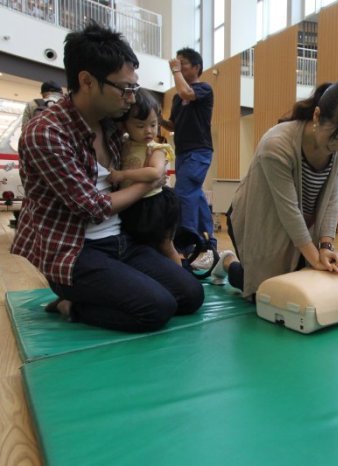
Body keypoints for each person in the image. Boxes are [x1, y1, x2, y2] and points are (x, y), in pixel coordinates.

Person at [10, 23, 203, 332]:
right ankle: (71, 304)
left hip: (121, 241)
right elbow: (92, 207)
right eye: (125, 88)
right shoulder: (47, 132)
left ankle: (110, 289)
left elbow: (150, 141)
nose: (131, 97)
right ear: (87, 81)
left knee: (191, 295)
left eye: (134, 88)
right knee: (156, 308)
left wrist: (156, 156)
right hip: (74, 252)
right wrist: (148, 182)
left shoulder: (114, 125)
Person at [212, 79, 338, 299]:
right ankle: (229, 262)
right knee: (267, 293)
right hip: (261, 220)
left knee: (306, 286)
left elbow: (333, 197)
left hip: (298, 224)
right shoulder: (276, 144)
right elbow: (287, 209)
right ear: (317, 116)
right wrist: (315, 258)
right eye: (336, 137)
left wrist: (326, 246)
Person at [109, 88, 181, 265]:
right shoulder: (124, 145)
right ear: (125, 125)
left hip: (154, 205)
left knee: (165, 245)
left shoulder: (156, 148)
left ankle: (180, 273)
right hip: (133, 204)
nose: (149, 131)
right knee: (142, 246)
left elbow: (155, 172)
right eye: (140, 126)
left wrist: (122, 174)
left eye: (153, 125)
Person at [160, 47, 216, 269]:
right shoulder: (175, 97)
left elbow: (187, 94)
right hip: (183, 152)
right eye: (177, 63)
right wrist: (158, 119)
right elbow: (172, 125)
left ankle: (188, 247)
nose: (178, 66)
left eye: (183, 63)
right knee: (196, 196)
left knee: (183, 193)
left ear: (196, 68)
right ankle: (210, 245)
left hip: (200, 150)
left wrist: (175, 72)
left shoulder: (204, 88)